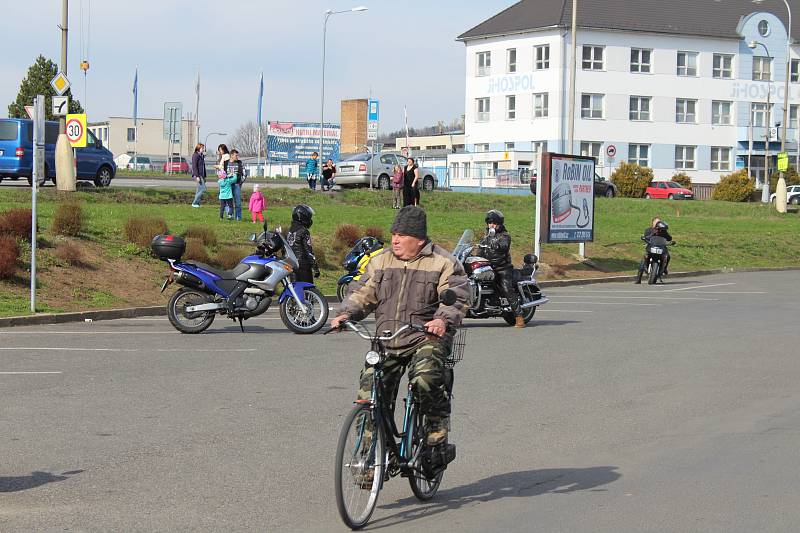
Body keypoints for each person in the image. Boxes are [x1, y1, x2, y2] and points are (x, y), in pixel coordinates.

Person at [331, 206, 469, 447]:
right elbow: (363, 292)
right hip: (387, 338)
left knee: (424, 378)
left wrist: (441, 320)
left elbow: (456, 296)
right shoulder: (380, 261)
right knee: (369, 393)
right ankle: (368, 458)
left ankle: (436, 421)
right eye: (394, 234)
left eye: (402, 235)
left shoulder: (444, 262)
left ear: (419, 239)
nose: (395, 240)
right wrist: (346, 313)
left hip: (426, 338)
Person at [479, 209, 524, 328]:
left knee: (506, 288)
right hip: (488, 267)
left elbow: (504, 247)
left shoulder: (504, 236)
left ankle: (519, 317)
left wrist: (495, 244)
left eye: (494, 223)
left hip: (502, 268)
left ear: (499, 223)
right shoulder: (486, 236)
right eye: (489, 223)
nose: (491, 225)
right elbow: (480, 249)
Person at [286, 204, 320, 283]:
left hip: (291, 264)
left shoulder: (289, 231)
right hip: (303, 266)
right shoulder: (304, 231)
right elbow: (309, 251)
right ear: (303, 217)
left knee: (295, 290)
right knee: (308, 290)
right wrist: (315, 268)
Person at [637, 217, 674, 282]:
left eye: (659, 222)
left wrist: (670, 241)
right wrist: (645, 238)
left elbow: (669, 238)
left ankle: (664, 268)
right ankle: (638, 278)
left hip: (661, 247)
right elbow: (647, 237)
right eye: (656, 222)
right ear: (653, 223)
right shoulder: (649, 230)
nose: (658, 223)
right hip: (651, 246)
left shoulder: (664, 231)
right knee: (644, 258)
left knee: (668, 256)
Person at [225, 149, 244, 221]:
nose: (237, 157)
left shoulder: (239, 163)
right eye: (236, 155)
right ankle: (230, 216)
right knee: (228, 201)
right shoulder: (226, 163)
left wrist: (240, 182)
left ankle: (238, 218)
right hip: (228, 185)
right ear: (231, 155)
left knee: (238, 202)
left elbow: (244, 174)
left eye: (237, 155)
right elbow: (221, 174)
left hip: (236, 185)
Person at [190, 143, 207, 208]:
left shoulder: (201, 156)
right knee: (203, 189)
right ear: (198, 148)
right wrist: (197, 176)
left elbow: (203, 167)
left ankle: (197, 203)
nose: (203, 150)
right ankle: (194, 203)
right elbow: (194, 166)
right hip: (198, 175)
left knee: (199, 189)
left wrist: (204, 176)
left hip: (202, 175)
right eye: (202, 148)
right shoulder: (195, 155)